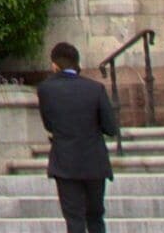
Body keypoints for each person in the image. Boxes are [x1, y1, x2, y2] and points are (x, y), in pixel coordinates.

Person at [37, 41, 119, 233]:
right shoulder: (95, 88)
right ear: (76, 63)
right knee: (96, 217)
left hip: (65, 162)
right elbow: (110, 128)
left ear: (54, 65)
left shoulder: (45, 89)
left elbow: (49, 124)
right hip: (94, 162)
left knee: (73, 219)